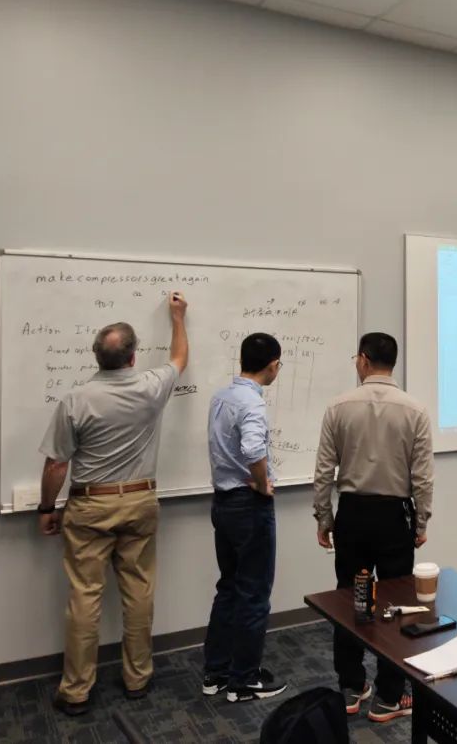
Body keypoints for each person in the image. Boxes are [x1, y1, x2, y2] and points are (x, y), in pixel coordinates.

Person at [38, 293, 188, 716]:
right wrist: (178, 317)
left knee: (85, 597)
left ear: (96, 357)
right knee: (138, 592)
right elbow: (179, 358)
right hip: (140, 501)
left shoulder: (76, 399)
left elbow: (56, 464)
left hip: (90, 505)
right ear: (133, 356)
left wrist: (46, 508)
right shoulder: (150, 387)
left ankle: (76, 690)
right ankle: (138, 678)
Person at [313, 332, 434, 723]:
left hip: (352, 515)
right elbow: (423, 477)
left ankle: (351, 688)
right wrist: (421, 521)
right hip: (395, 516)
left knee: (351, 599)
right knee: (397, 604)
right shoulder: (415, 410)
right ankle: (389, 696)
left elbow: (324, 471)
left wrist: (324, 518)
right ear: (392, 362)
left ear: (363, 360)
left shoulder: (338, 407)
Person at [202, 333, 288, 703]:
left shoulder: (221, 396)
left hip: (223, 503)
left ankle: (216, 673)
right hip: (248, 506)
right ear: (273, 365)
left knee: (229, 587)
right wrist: (263, 484)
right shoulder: (252, 403)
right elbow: (253, 449)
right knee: (254, 594)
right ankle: (244, 680)